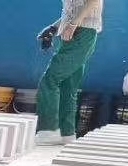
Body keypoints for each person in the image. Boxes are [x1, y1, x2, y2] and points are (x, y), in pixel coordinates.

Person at [35, 0, 105, 146]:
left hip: (81, 33)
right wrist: (54, 28)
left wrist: (73, 25)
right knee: (68, 86)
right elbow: (72, 11)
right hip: (76, 34)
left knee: (49, 81)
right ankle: (66, 133)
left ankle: (49, 130)